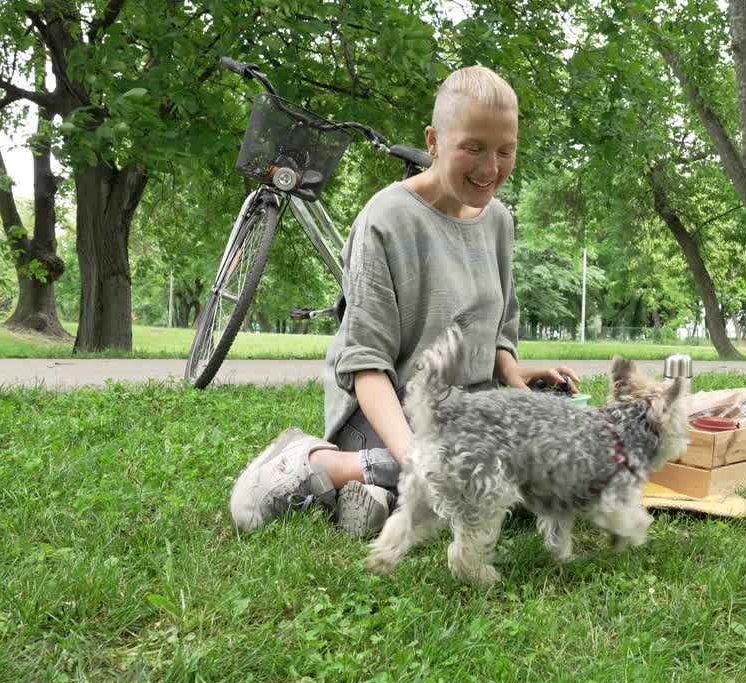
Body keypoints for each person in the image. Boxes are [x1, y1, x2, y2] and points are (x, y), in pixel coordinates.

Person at [230, 65, 579, 538]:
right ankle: (320, 465)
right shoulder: (386, 219)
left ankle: (379, 492)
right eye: (472, 148)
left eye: (505, 151)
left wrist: (511, 373)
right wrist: (418, 457)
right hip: (390, 412)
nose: (490, 167)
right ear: (433, 142)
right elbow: (366, 364)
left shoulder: (499, 220)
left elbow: (497, 325)